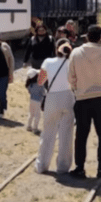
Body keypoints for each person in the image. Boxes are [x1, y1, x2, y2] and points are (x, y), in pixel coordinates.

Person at [68, 25, 101, 179]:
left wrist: (77, 88)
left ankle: (80, 167)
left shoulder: (76, 53)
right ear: (100, 37)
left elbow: (71, 77)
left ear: (87, 36)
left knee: (81, 134)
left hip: (82, 99)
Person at [35, 39, 75, 174]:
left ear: (56, 48)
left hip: (52, 97)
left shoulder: (48, 62)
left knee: (48, 132)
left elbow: (40, 82)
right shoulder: (72, 63)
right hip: (68, 97)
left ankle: (41, 165)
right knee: (66, 133)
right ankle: (63, 167)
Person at [25, 68, 44, 133]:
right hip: (38, 101)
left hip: (32, 100)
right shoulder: (40, 84)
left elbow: (29, 91)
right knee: (37, 115)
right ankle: (35, 128)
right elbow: (43, 92)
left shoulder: (30, 84)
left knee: (31, 114)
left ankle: (29, 126)